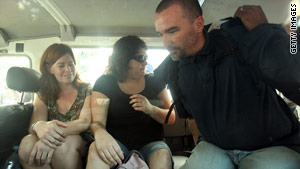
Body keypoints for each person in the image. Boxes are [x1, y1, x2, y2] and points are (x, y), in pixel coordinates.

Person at [154, 0, 300, 169]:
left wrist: (263, 31)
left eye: (172, 31)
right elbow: (191, 116)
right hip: (215, 148)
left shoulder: (238, 37)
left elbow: (293, 77)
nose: (165, 42)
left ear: (198, 24)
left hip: (272, 147)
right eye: (161, 34)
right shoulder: (176, 65)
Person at [86, 35, 175, 169]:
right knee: (96, 149)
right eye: (140, 58)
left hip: (152, 145)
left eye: (146, 58)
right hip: (117, 145)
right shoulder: (105, 83)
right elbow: (98, 123)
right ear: (123, 60)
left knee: (162, 154)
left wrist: (151, 109)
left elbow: (171, 117)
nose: (145, 63)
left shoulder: (154, 82)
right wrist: (100, 133)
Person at [18, 43, 92, 169]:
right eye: (61, 65)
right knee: (27, 143)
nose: (68, 69)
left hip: (80, 139)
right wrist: (38, 126)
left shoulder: (86, 89)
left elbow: (84, 122)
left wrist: (50, 136)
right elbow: (34, 126)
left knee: (62, 146)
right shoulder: (44, 94)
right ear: (49, 68)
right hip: (54, 137)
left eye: (71, 64)